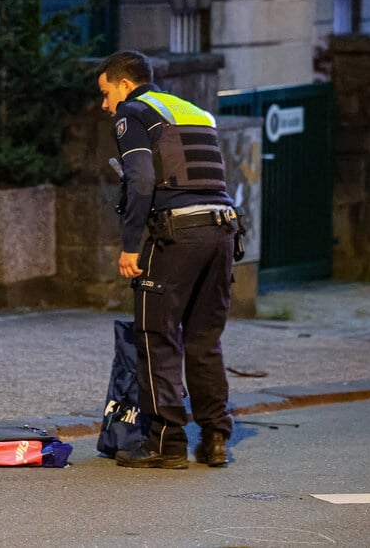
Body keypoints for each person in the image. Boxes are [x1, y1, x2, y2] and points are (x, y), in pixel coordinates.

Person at [96, 50, 239, 469]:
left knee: (155, 334)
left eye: (106, 94)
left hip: (176, 234)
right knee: (203, 340)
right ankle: (214, 439)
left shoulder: (135, 113)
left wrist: (130, 244)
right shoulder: (195, 113)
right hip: (223, 231)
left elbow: (140, 179)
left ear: (125, 84)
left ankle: (166, 442)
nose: (106, 106)